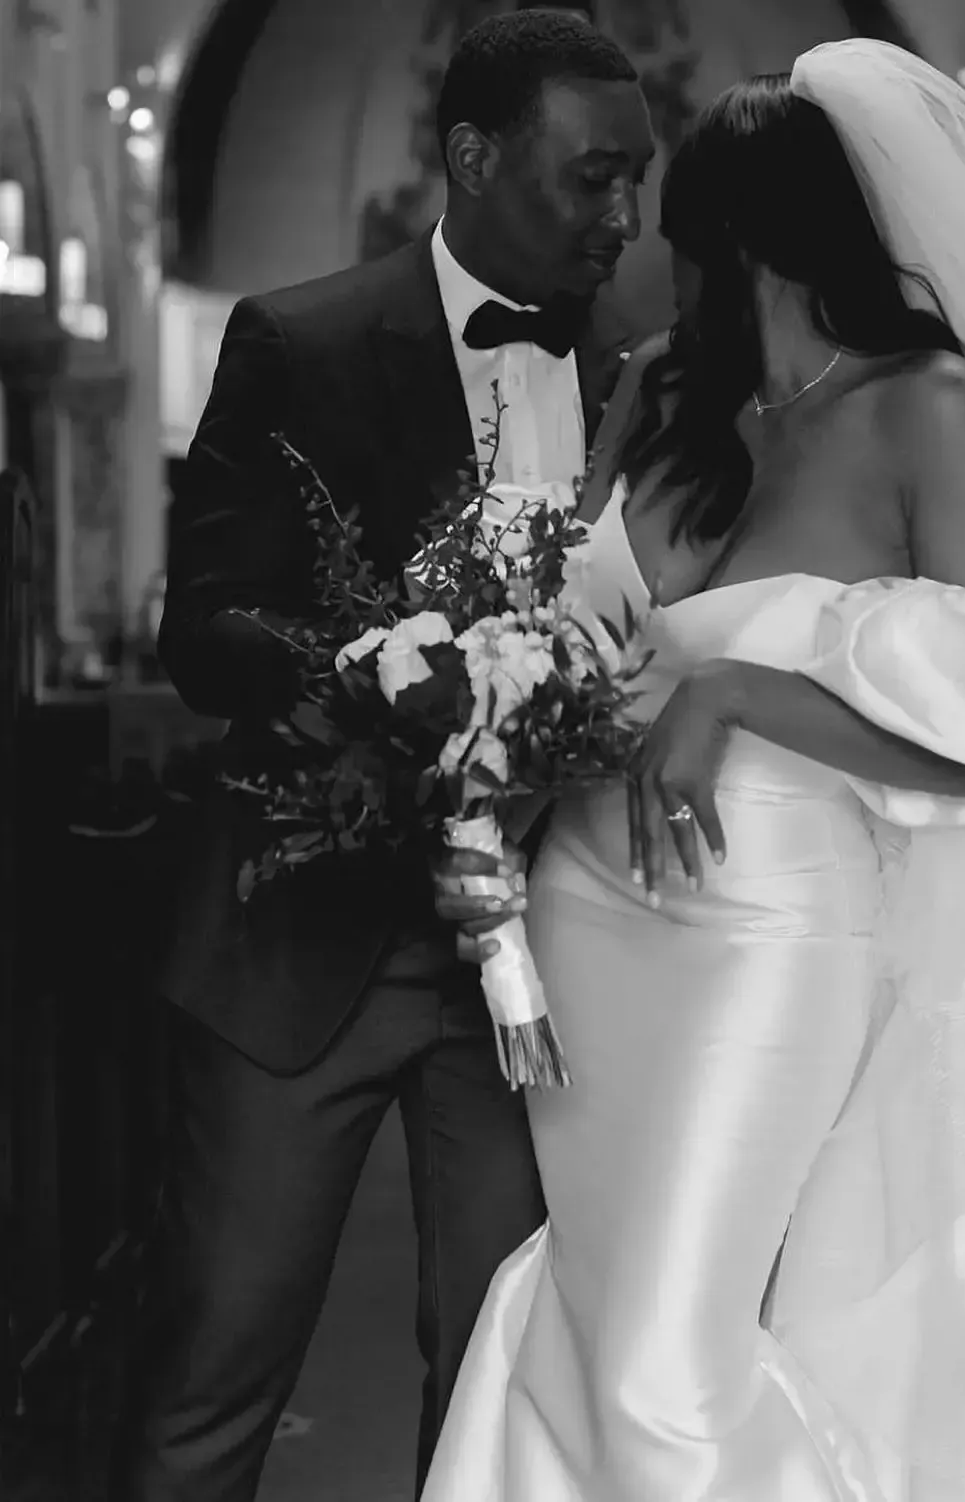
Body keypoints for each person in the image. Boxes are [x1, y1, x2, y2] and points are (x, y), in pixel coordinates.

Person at [423, 42, 965, 1502]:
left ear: (751, 237)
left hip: (771, 929)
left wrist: (748, 692)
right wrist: (483, 781)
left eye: (677, 227)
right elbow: (564, 644)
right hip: (585, 920)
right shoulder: (663, 400)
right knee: (589, 1299)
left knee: (659, 1358)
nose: (648, 255)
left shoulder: (927, 407)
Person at [109, 13, 654, 1500]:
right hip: (302, 945)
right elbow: (202, 626)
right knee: (215, 1370)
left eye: (637, 180)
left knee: (502, 1383)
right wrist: (387, 676)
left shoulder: (641, 373)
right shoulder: (301, 338)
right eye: (592, 176)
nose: (623, 215)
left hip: (536, 965)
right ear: (473, 158)